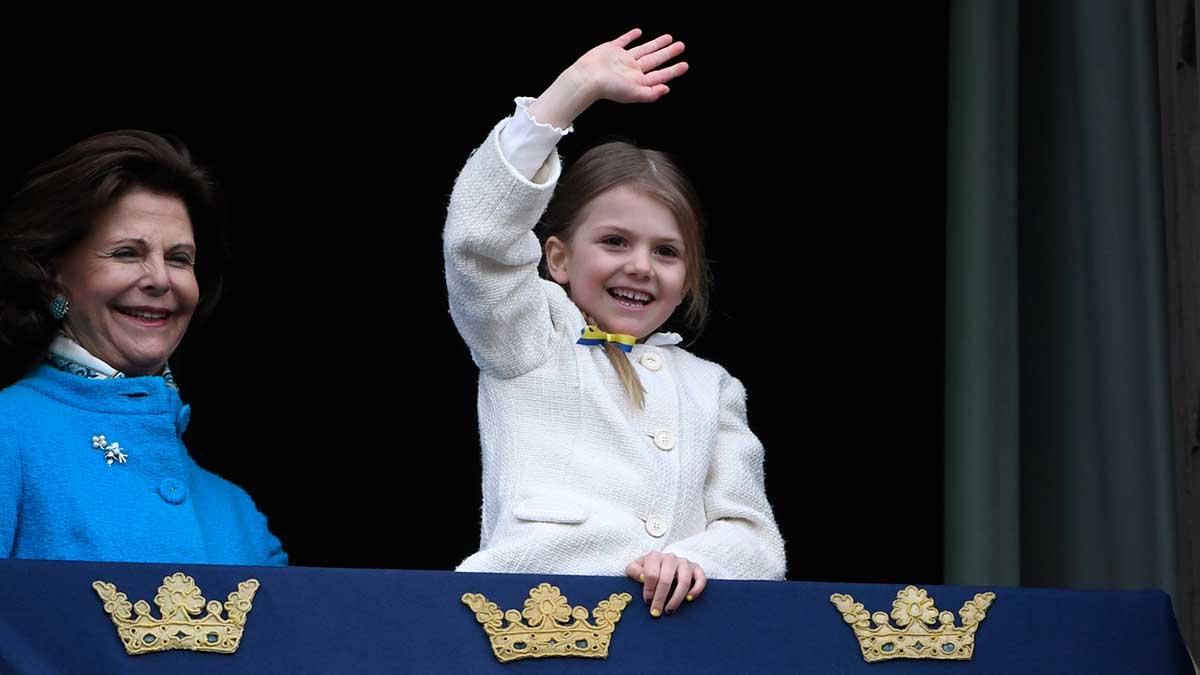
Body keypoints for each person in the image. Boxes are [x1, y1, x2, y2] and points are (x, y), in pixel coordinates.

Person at [444, 29, 785, 618]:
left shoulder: (714, 387)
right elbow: (479, 241)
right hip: (528, 619)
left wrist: (699, 560)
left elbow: (754, 538)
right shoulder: (528, 336)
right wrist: (572, 91)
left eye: (666, 252)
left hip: (669, 635)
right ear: (557, 259)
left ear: (688, 276)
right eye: (614, 241)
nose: (639, 266)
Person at [0, 130, 287, 565]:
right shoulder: (10, 435)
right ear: (52, 273)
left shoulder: (238, 516)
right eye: (126, 253)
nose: (159, 279)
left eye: (179, 259)